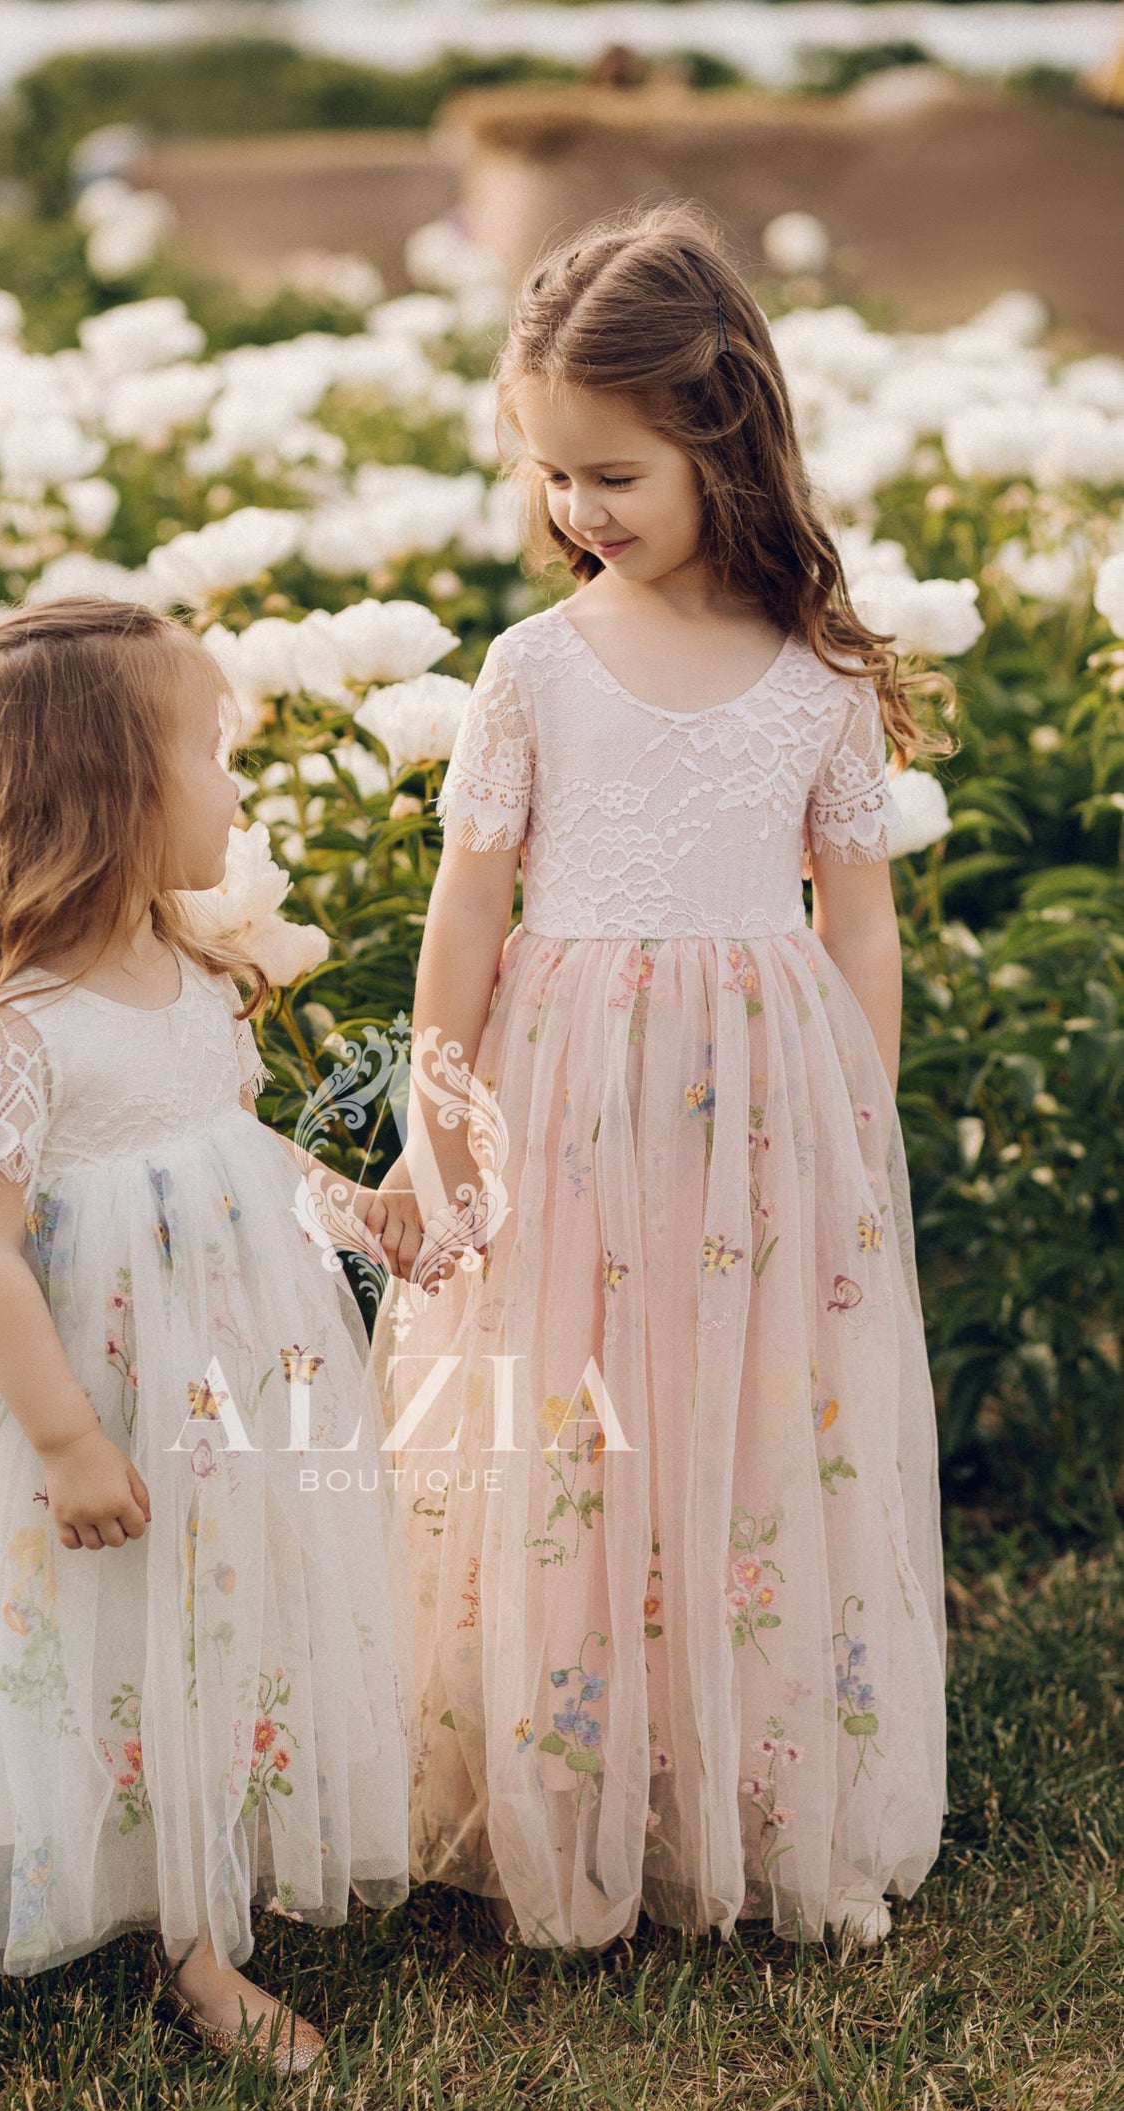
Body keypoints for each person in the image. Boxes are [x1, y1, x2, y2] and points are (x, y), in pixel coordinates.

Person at [369, 206, 949, 1954]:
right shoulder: (533, 668)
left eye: (610, 473)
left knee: (747, 1411)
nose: (576, 511)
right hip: (563, 1089)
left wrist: (857, 1115)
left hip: (760, 1092)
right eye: (551, 478)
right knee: (568, 1416)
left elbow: (859, 924)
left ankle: (736, 1776)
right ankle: (561, 1771)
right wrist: (439, 1127)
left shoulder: (814, 678)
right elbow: (468, 913)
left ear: (722, 433)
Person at [0, 597, 412, 2107]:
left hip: (204, 1383)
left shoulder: (190, 974)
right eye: (207, 755)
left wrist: (351, 1203)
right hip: (47, 1398)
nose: (235, 788)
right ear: (103, 795)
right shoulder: (25, 1023)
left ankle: (194, 1933)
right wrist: (68, 1438)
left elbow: (234, 1141)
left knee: (192, 1630)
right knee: (10, 1649)